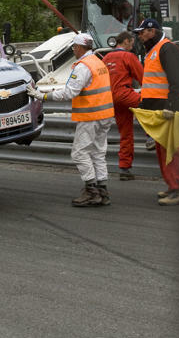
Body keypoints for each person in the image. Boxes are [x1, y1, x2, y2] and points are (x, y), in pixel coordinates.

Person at [27, 32, 114, 207]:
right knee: (97, 153)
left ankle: (91, 191)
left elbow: (69, 92)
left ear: (80, 47)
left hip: (91, 116)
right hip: (105, 115)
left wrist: (41, 95)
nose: (73, 50)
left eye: (74, 47)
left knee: (79, 153)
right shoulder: (98, 61)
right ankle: (102, 190)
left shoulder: (83, 66)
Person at [134, 18, 179, 206]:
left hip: (168, 110)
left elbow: (178, 81)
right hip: (158, 110)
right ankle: (172, 186)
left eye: (141, 32)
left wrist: (170, 107)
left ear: (152, 31)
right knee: (163, 151)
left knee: (171, 151)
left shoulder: (167, 49)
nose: (139, 36)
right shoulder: (153, 51)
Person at [101, 31, 143, 180]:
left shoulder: (106, 58)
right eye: (131, 43)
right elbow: (143, 77)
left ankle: (124, 169)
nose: (132, 46)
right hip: (124, 94)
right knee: (151, 105)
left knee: (125, 133)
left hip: (110, 98)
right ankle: (151, 136)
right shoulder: (128, 56)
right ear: (125, 41)